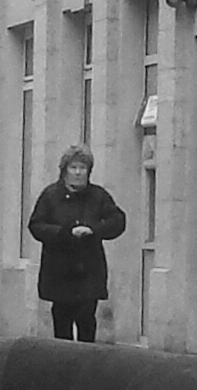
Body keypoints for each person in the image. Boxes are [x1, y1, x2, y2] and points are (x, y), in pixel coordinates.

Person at [27, 142, 128, 342]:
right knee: (62, 323)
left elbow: (117, 221)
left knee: (86, 320)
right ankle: (63, 369)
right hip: (59, 271)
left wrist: (95, 230)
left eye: (82, 168)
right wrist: (64, 233)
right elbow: (36, 225)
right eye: (73, 168)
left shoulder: (98, 196)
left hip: (89, 271)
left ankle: (87, 367)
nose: (78, 173)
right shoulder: (50, 195)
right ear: (64, 171)